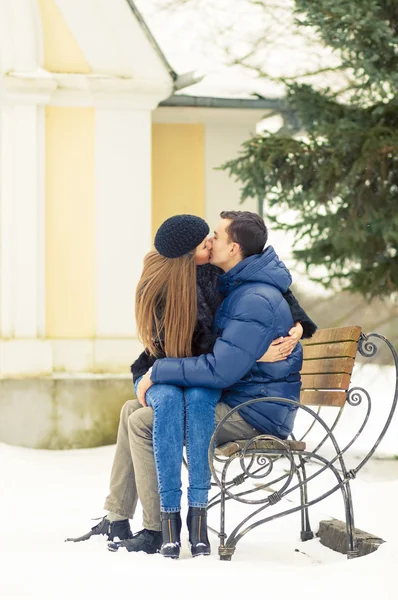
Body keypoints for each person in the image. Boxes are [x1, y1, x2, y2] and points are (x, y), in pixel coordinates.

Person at [66, 212, 316, 558]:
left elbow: (263, 299)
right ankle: (117, 516)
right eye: (205, 241)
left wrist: (296, 325)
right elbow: (185, 347)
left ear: (233, 246)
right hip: (227, 386)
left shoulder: (231, 283)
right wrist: (246, 356)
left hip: (248, 405)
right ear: (187, 257)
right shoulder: (183, 281)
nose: (211, 242)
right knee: (130, 410)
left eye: (214, 236)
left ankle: (155, 529)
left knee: (140, 422)